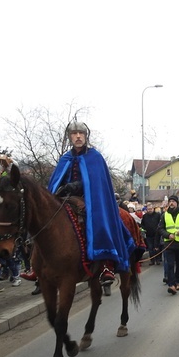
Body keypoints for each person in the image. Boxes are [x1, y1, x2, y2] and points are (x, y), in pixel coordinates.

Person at [47, 120, 135, 286]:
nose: (78, 136)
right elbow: (56, 181)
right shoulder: (65, 158)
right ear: (70, 137)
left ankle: (105, 265)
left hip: (91, 199)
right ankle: (39, 264)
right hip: (64, 198)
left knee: (97, 220)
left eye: (81, 133)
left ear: (86, 136)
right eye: (74, 133)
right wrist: (60, 189)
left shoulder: (95, 157)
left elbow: (97, 182)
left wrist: (76, 185)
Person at [158, 195, 179, 294]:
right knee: (170, 264)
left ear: (177, 203)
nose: (171, 203)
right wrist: (168, 235)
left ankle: (177, 282)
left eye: (173, 201)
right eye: (170, 201)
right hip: (169, 244)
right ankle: (171, 285)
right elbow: (160, 229)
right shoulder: (164, 215)